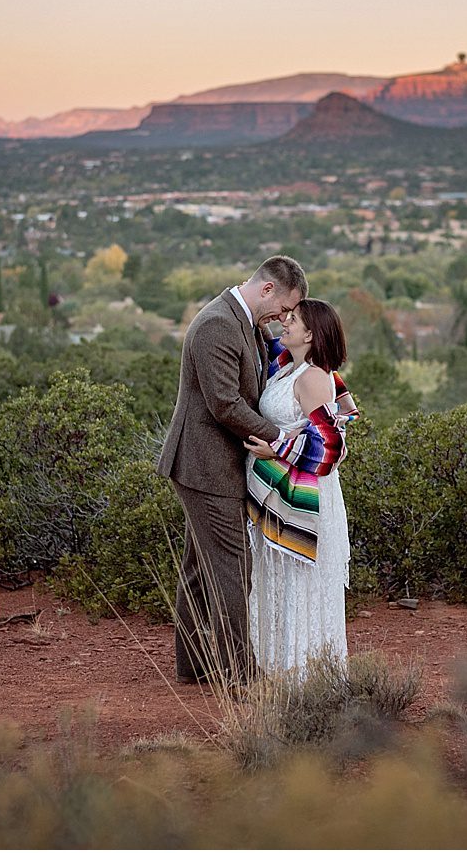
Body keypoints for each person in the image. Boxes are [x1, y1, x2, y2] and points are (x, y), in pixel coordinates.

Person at [156, 255, 307, 686]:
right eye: (283, 308)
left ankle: (192, 665)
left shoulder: (247, 323)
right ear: (266, 290)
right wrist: (283, 440)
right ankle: (239, 676)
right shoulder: (216, 325)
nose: (283, 318)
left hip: (215, 465)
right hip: (205, 466)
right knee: (232, 568)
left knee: (200, 568)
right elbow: (225, 403)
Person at [243, 298, 359, 678]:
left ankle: (305, 676)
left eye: (292, 320)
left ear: (310, 334)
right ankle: (280, 669)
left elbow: (330, 446)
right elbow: (271, 345)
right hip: (281, 494)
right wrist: (256, 310)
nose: (285, 323)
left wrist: (276, 446)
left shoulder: (312, 378)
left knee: (300, 586)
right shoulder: (288, 368)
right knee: (280, 582)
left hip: (306, 501)